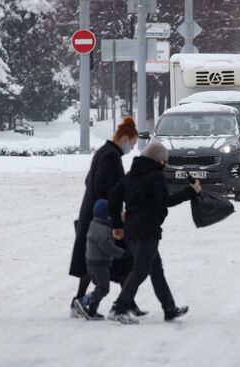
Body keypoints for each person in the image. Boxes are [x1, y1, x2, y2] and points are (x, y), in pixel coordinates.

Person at [107, 141, 202, 324]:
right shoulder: (156, 176)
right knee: (140, 271)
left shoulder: (131, 175)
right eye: (164, 160)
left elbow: (113, 197)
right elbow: (165, 201)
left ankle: (169, 309)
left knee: (156, 270)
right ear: (159, 160)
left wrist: (117, 225)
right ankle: (118, 308)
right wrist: (191, 190)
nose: (165, 163)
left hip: (132, 231)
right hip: (147, 231)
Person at [68, 116, 144, 318]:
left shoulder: (104, 152)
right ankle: (122, 303)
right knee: (113, 258)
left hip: (93, 215)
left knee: (94, 260)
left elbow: (89, 181)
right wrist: (112, 210)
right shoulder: (111, 156)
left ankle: (122, 302)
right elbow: (101, 186)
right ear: (126, 139)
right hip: (102, 218)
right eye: (133, 143)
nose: (133, 148)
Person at [74, 199, 126, 320]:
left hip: (91, 262)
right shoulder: (104, 230)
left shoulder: (94, 224)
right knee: (103, 288)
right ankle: (83, 301)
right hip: (100, 264)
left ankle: (92, 310)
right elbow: (107, 247)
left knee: (99, 287)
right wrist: (121, 253)